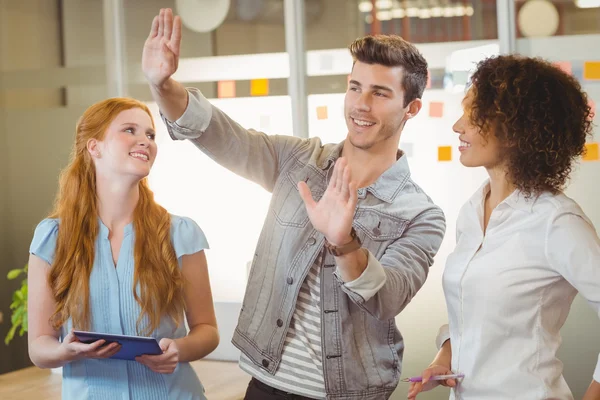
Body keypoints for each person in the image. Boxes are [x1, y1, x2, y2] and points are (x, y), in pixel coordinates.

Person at [142, 8, 446, 400]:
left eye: (380, 93)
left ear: (412, 108)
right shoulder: (296, 161)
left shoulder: (421, 214)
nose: (361, 104)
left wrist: (344, 242)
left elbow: (388, 298)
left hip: (350, 392)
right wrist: (162, 85)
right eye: (355, 87)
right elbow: (223, 136)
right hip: (266, 384)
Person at [407, 55, 599, 400]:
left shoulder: (555, 221)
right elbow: (475, 312)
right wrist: (444, 357)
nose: (457, 126)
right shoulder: (471, 212)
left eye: (473, 114)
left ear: (516, 128)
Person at [27, 97, 220, 400]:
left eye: (150, 134)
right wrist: (66, 351)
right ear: (95, 147)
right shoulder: (53, 238)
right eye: (130, 130)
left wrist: (179, 350)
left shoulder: (179, 234)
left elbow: (207, 329)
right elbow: (39, 347)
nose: (145, 140)